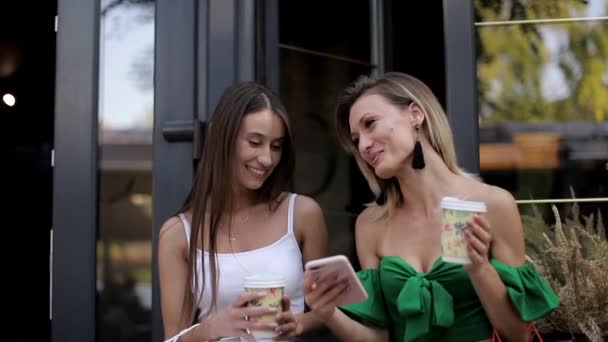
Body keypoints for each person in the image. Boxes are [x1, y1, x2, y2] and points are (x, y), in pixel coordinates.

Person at [303, 72, 559, 341]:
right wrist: (328, 314)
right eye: (356, 139)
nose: (364, 145)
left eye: (371, 124)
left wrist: (479, 269)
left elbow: (518, 334)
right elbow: (379, 337)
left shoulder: (493, 204)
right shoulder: (370, 224)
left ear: (415, 114)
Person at [158, 81, 328, 342]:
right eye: (254, 142)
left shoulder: (303, 214)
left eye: (276, 146)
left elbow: (328, 310)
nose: (267, 159)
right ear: (220, 136)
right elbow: (172, 339)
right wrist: (215, 327)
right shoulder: (178, 233)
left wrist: (298, 323)